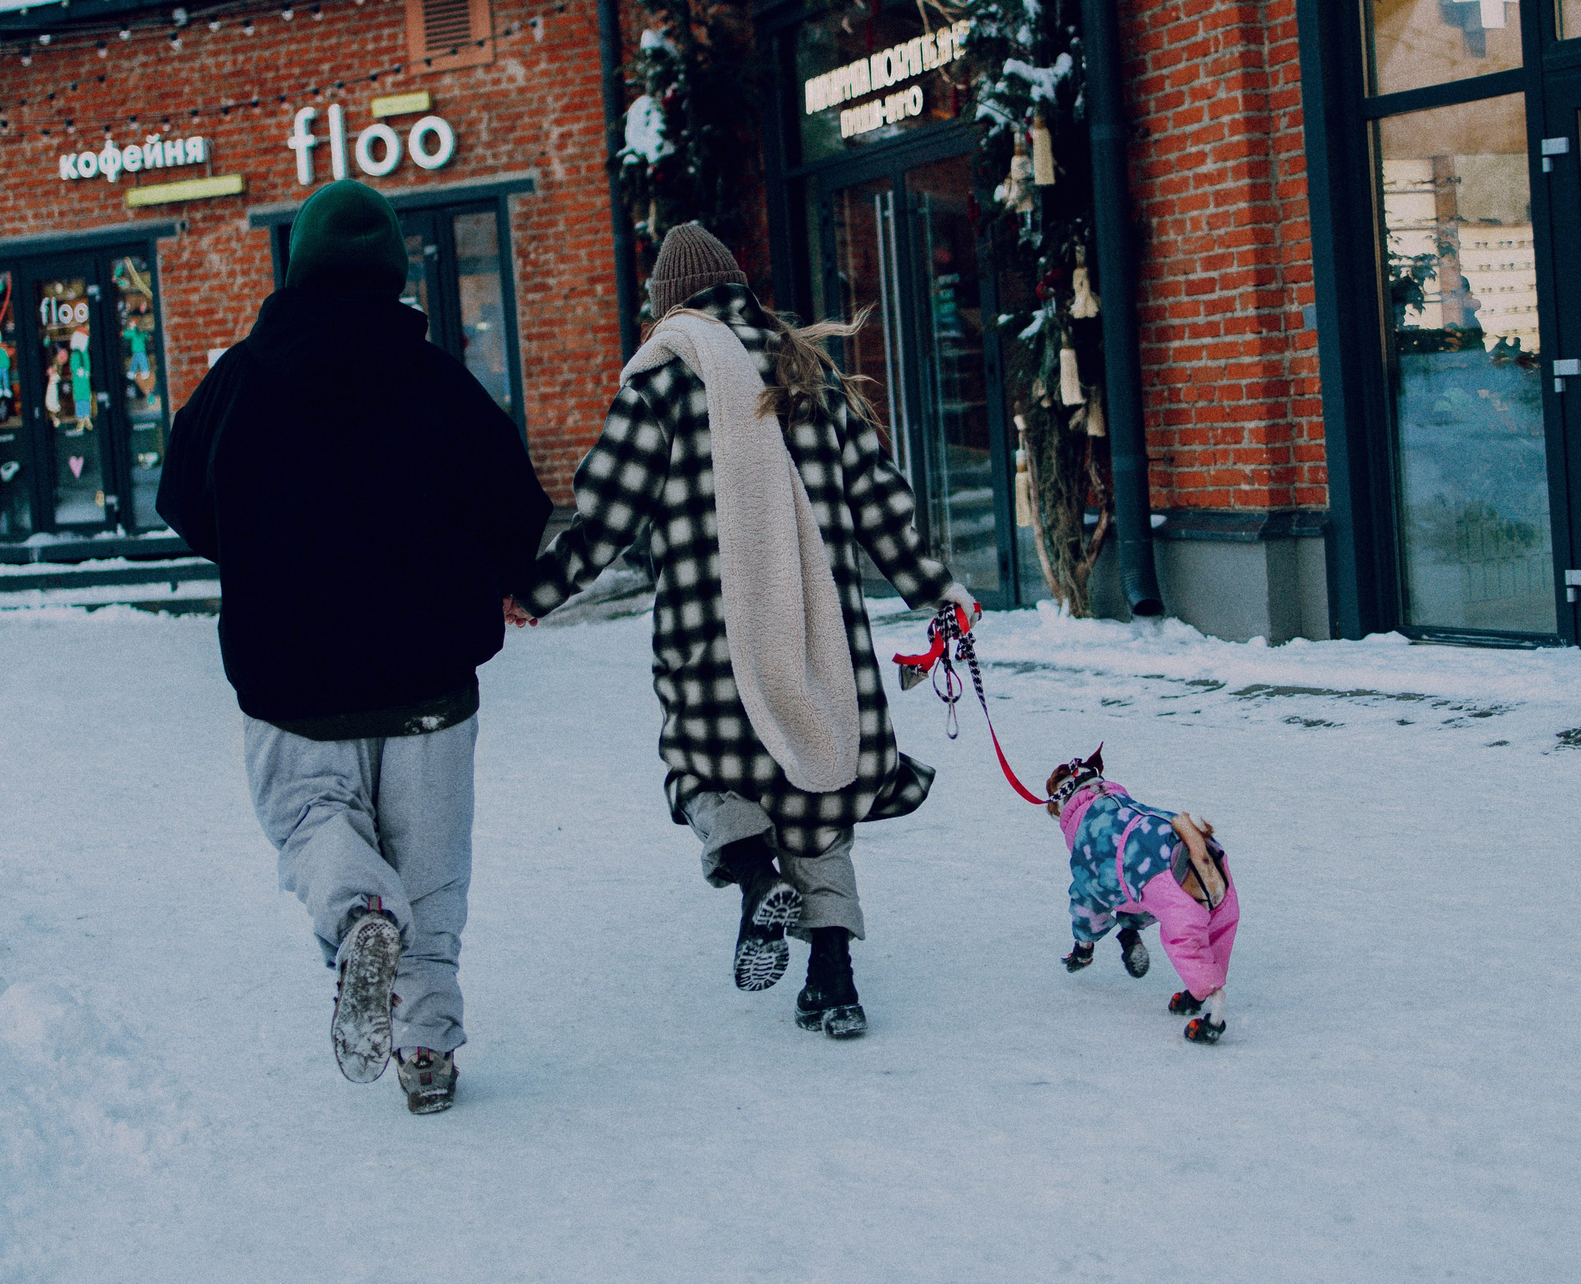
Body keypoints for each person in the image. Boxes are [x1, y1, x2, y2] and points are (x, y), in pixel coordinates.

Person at [509, 221, 972, 1039]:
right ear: (737, 289)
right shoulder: (807, 372)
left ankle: (758, 884)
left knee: (703, 771)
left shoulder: (662, 380)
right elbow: (881, 506)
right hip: (818, 632)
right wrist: (937, 591)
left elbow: (606, 512)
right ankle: (836, 983)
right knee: (818, 786)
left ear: (665, 309)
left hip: (708, 640)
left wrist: (537, 591)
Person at [157, 179, 551, 1114]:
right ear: (394, 274)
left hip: (293, 682)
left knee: (312, 827)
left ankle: (360, 915)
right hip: (429, 682)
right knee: (435, 874)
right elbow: (518, 505)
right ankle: (425, 1047)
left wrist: (263, 545)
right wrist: (484, 571)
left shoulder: (242, 379)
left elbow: (182, 498)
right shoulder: (439, 382)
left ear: (299, 268)